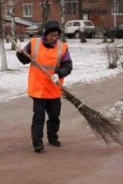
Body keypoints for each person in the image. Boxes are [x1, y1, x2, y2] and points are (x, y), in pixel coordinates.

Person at [15, 20, 73, 153]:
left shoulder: (62, 47)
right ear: (45, 34)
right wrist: (20, 52)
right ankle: (37, 142)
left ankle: (52, 137)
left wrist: (58, 74)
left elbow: (68, 66)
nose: (54, 37)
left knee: (54, 116)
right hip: (38, 89)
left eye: (56, 35)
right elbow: (25, 59)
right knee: (38, 116)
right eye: (52, 35)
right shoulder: (34, 43)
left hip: (54, 88)